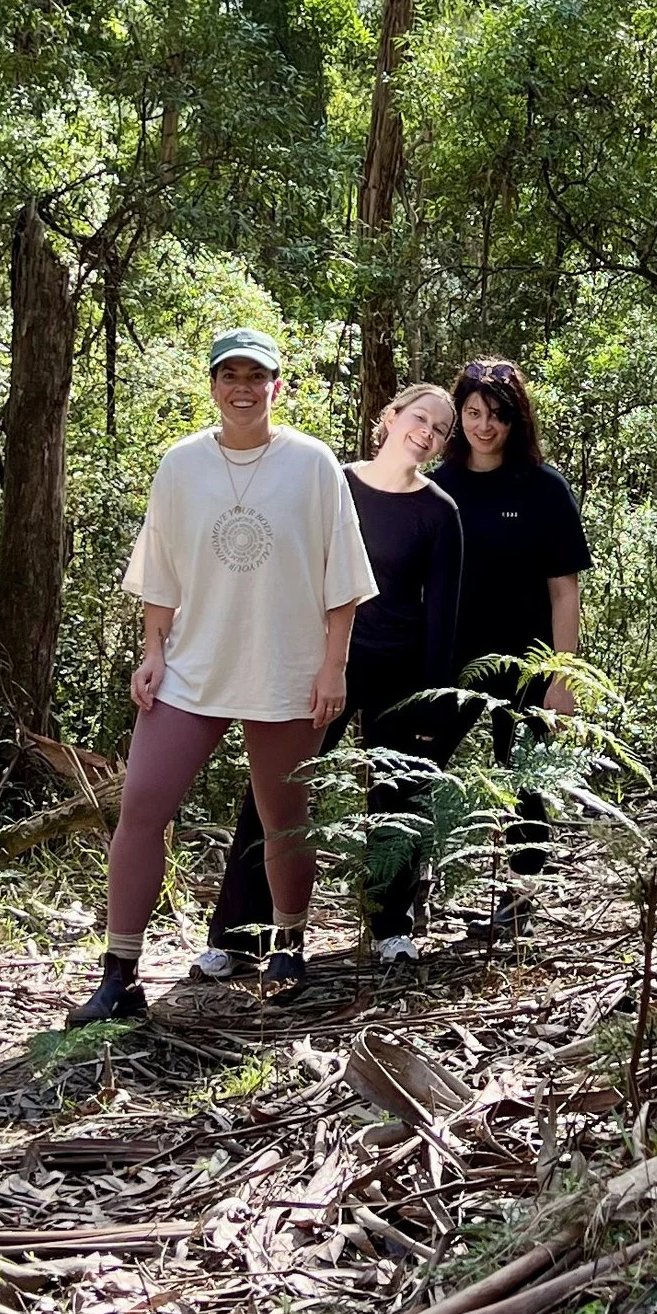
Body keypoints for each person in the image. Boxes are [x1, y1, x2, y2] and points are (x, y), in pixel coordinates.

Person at [68, 328, 378, 1027]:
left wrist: (335, 666)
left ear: (278, 385)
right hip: (192, 668)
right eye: (228, 375)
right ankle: (120, 974)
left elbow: (343, 580)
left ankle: (290, 942)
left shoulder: (312, 464)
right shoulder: (180, 465)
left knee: (282, 818)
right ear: (211, 385)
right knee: (143, 806)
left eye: (255, 376)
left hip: (286, 669)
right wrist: (153, 651)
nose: (241, 388)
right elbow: (161, 571)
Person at [197, 383, 464, 978]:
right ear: (391, 419)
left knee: (398, 797)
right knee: (276, 792)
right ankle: (241, 935)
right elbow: (288, 568)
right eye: (420, 418)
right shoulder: (333, 481)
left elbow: (441, 618)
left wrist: (433, 705)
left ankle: (392, 928)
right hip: (316, 663)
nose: (427, 433)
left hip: (397, 671)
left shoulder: (439, 513)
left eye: (441, 430)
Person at [435, 356, 593, 939]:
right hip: (449, 657)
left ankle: (520, 894)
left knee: (527, 776)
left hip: (529, 661)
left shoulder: (544, 489)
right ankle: (410, 893)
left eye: (497, 416)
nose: (484, 426)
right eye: (473, 413)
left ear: (515, 421)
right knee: (419, 769)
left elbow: (564, 591)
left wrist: (563, 674)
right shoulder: (439, 485)